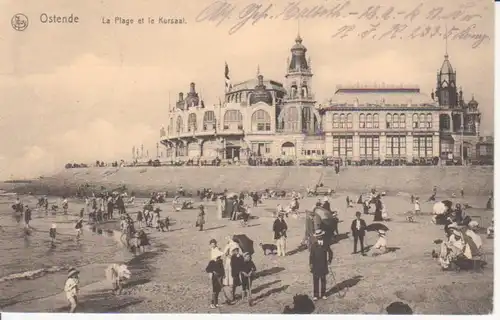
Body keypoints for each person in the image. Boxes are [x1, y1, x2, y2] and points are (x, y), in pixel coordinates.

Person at [309, 230, 333, 301]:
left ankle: (323, 294)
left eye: (320, 236)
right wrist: (311, 263)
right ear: (316, 237)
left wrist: (329, 260)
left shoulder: (326, 244)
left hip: (323, 264)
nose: (319, 237)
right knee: (315, 280)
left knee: (323, 280)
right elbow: (311, 256)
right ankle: (315, 295)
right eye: (317, 236)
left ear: (322, 236)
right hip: (316, 265)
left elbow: (330, 252)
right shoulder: (313, 245)